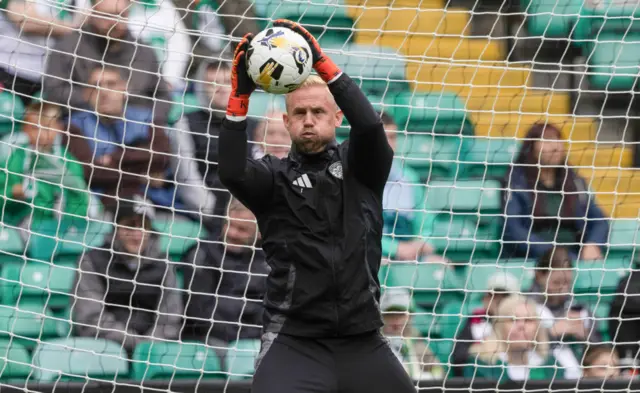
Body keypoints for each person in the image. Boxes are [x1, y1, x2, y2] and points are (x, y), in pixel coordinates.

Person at [217, 21, 416, 393]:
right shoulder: (272, 179)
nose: (309, 120)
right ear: (286, 121)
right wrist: (239, 97)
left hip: (363, 341)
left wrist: (324, 65)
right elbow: (230, 170)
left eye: (319, 112)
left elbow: (371, 128)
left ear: (337, 117)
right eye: (300, 113)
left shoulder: (362, 168)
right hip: (295, 341)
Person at [71, 198, 183, 354]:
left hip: (153, 350)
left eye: (144, 226)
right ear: (116, 228)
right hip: (106, 349)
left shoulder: (164, 265)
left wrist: (149, 344)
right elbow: (91, 318)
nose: (137, 234)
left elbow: (170, 319)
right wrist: (135, 343)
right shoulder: (92, 261)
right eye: (130, 226)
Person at [43, 0, 172, 125]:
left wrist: (145, 121)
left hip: (138, 130)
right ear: (93, 12)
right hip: (82, 129)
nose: (114, 22)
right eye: (106, 15)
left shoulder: (144, 52)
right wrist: (89, 97)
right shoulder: (68, 47)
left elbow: (162, 96)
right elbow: (53, 90)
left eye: (120, 15)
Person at [65, 66, 174, 210]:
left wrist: (114, 158)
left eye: (111, 84)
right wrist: (141, 176)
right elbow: (88, 172)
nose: (104, 92)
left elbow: (162, 155)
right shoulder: (74, 125)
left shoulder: (146, 117)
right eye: (96, 87)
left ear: (124, 88)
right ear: (86, 94)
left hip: (157, 202)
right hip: (102, 205)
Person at [502, 122, 608, 260]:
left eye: (558, 140)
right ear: (532, 147)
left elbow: (600, 221)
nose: (555, 147)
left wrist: (593, 244)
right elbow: (514, 230)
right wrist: (555, 255)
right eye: (546, 140)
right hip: (534, 259)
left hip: (575, 258)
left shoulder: (575, 183)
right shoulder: (515, 183)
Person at [0, 101, 101, 236]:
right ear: (24, 128)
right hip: (20, 227)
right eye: (35, 128)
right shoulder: (14, 159)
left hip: (61, 229)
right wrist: (13, 193)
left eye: (47, 127)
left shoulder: (68, 161)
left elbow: (79, 198)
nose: (41, 134)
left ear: (58, 128)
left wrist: (67, 222)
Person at [172, 58, 257, 217]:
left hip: (250, 212)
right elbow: (186, 178)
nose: (222, 88)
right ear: (200, 87)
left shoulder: (253, 126)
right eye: (212, 83)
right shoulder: (185, 124)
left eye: (227, 82)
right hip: (208, 213)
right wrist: (216, 214)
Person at [182, 199, 268, 347]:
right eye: (229, 224)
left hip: (255, 338)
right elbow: (199, 312)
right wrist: (241, 340)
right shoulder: (202, 254)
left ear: (259, 234)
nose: (231, 233)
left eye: (242, 229)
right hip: (210, 339)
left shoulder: (268, 262)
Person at [466, 294, 581, 382]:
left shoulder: (552, 368)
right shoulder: (480, 366)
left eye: (528, 320)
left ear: (537, 329)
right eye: (513, 320)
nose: (521, 325)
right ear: (499, 326)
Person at [0, 0, 84, 104]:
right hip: (10, 70)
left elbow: (91, 21)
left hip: (53, 77)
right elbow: (25, 21)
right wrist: (77, 30)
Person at [380, 112, 437, 262]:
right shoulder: (354, 178)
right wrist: (395, 249)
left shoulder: (409, 177)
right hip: (374, 254)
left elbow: (425, 221)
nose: (388, 144)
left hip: (411, 254)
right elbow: (357, 233)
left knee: (441, 265)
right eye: (382, 137)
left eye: (392, 137)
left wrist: (422, 243)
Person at [528, 247, 601, 351]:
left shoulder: (580, 309)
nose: (563, 289)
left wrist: (585, 335)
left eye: (567, 283)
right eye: (556, 282)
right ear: (539, 276)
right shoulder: (526, 307)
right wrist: (552, 332)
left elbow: (599, 349)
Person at [451, 272, 521, 376]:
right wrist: (480, 352)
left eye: (504, 296)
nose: (497, 300)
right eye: (493, 295)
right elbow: (458, 355)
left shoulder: (525, 321)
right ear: (485, 298)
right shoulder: (475, 321)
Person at [380, 288, 445, 381]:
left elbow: (437, 368)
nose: (395, 319)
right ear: (381, 318)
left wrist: (430, 378)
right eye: (390, 314)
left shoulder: (416, 343)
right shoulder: (374, 344)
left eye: (400, 314)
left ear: (410, 317)